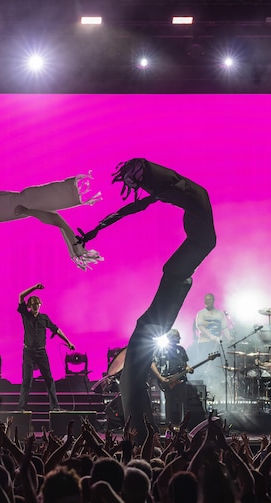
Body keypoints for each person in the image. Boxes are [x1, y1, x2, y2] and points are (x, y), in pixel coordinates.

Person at [75, 159, 217, 440]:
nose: (139, 187)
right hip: (185, 263)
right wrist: (97, 229)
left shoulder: (181, 187)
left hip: (187, 260)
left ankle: (141, 435)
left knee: (146, 332)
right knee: (143, 340)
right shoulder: (173, 192)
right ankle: (141, 434)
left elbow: (138, 202)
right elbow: (131, 207)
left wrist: (97, 229)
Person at [16, 283, 75, 411]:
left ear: (40, 305)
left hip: (41, 352)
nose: (36, 307)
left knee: (49, 379)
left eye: (37, 304)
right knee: (27, 380)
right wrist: (34, 288)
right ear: (29, 306)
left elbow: (56, 329)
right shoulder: (26, 316)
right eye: (33, 305)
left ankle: (55, 407)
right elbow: (21, 295)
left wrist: (68, 342)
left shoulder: (44, 318)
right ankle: (21, 408)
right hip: (28, 352)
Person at [150, 329, 194, 428]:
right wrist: (160, 377)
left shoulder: (181, 349)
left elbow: (185, 364)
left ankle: (182, 425)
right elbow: (152, 364)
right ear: (171, 338)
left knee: (182, 402)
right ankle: (169, 425)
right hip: (167, 380)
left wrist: (188, 368)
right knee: (168, 402)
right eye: (177, 336)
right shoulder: (160, 349)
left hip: (181, 380)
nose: (180, 338)